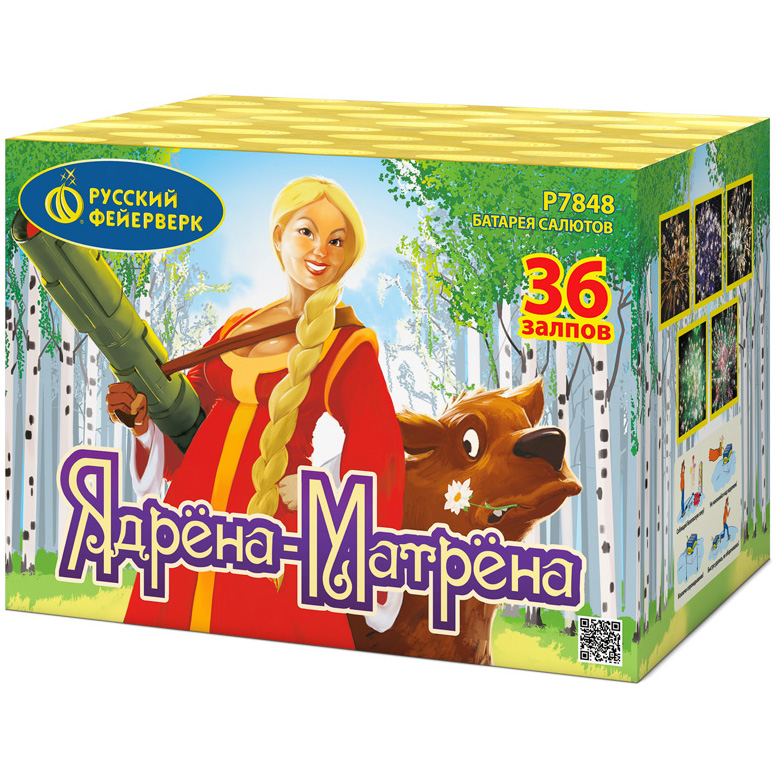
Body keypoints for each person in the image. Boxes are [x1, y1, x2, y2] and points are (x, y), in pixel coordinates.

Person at [107, 177, 405, 647]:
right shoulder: (237, 325)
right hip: (190, 516)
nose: (321, 250)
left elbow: (379, 448)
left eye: (336, 241)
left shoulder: (348, 343)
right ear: (278, 237)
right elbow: (190, 415)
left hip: (274, 524)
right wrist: (144, 424)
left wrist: (322, 490)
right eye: (306, 232)